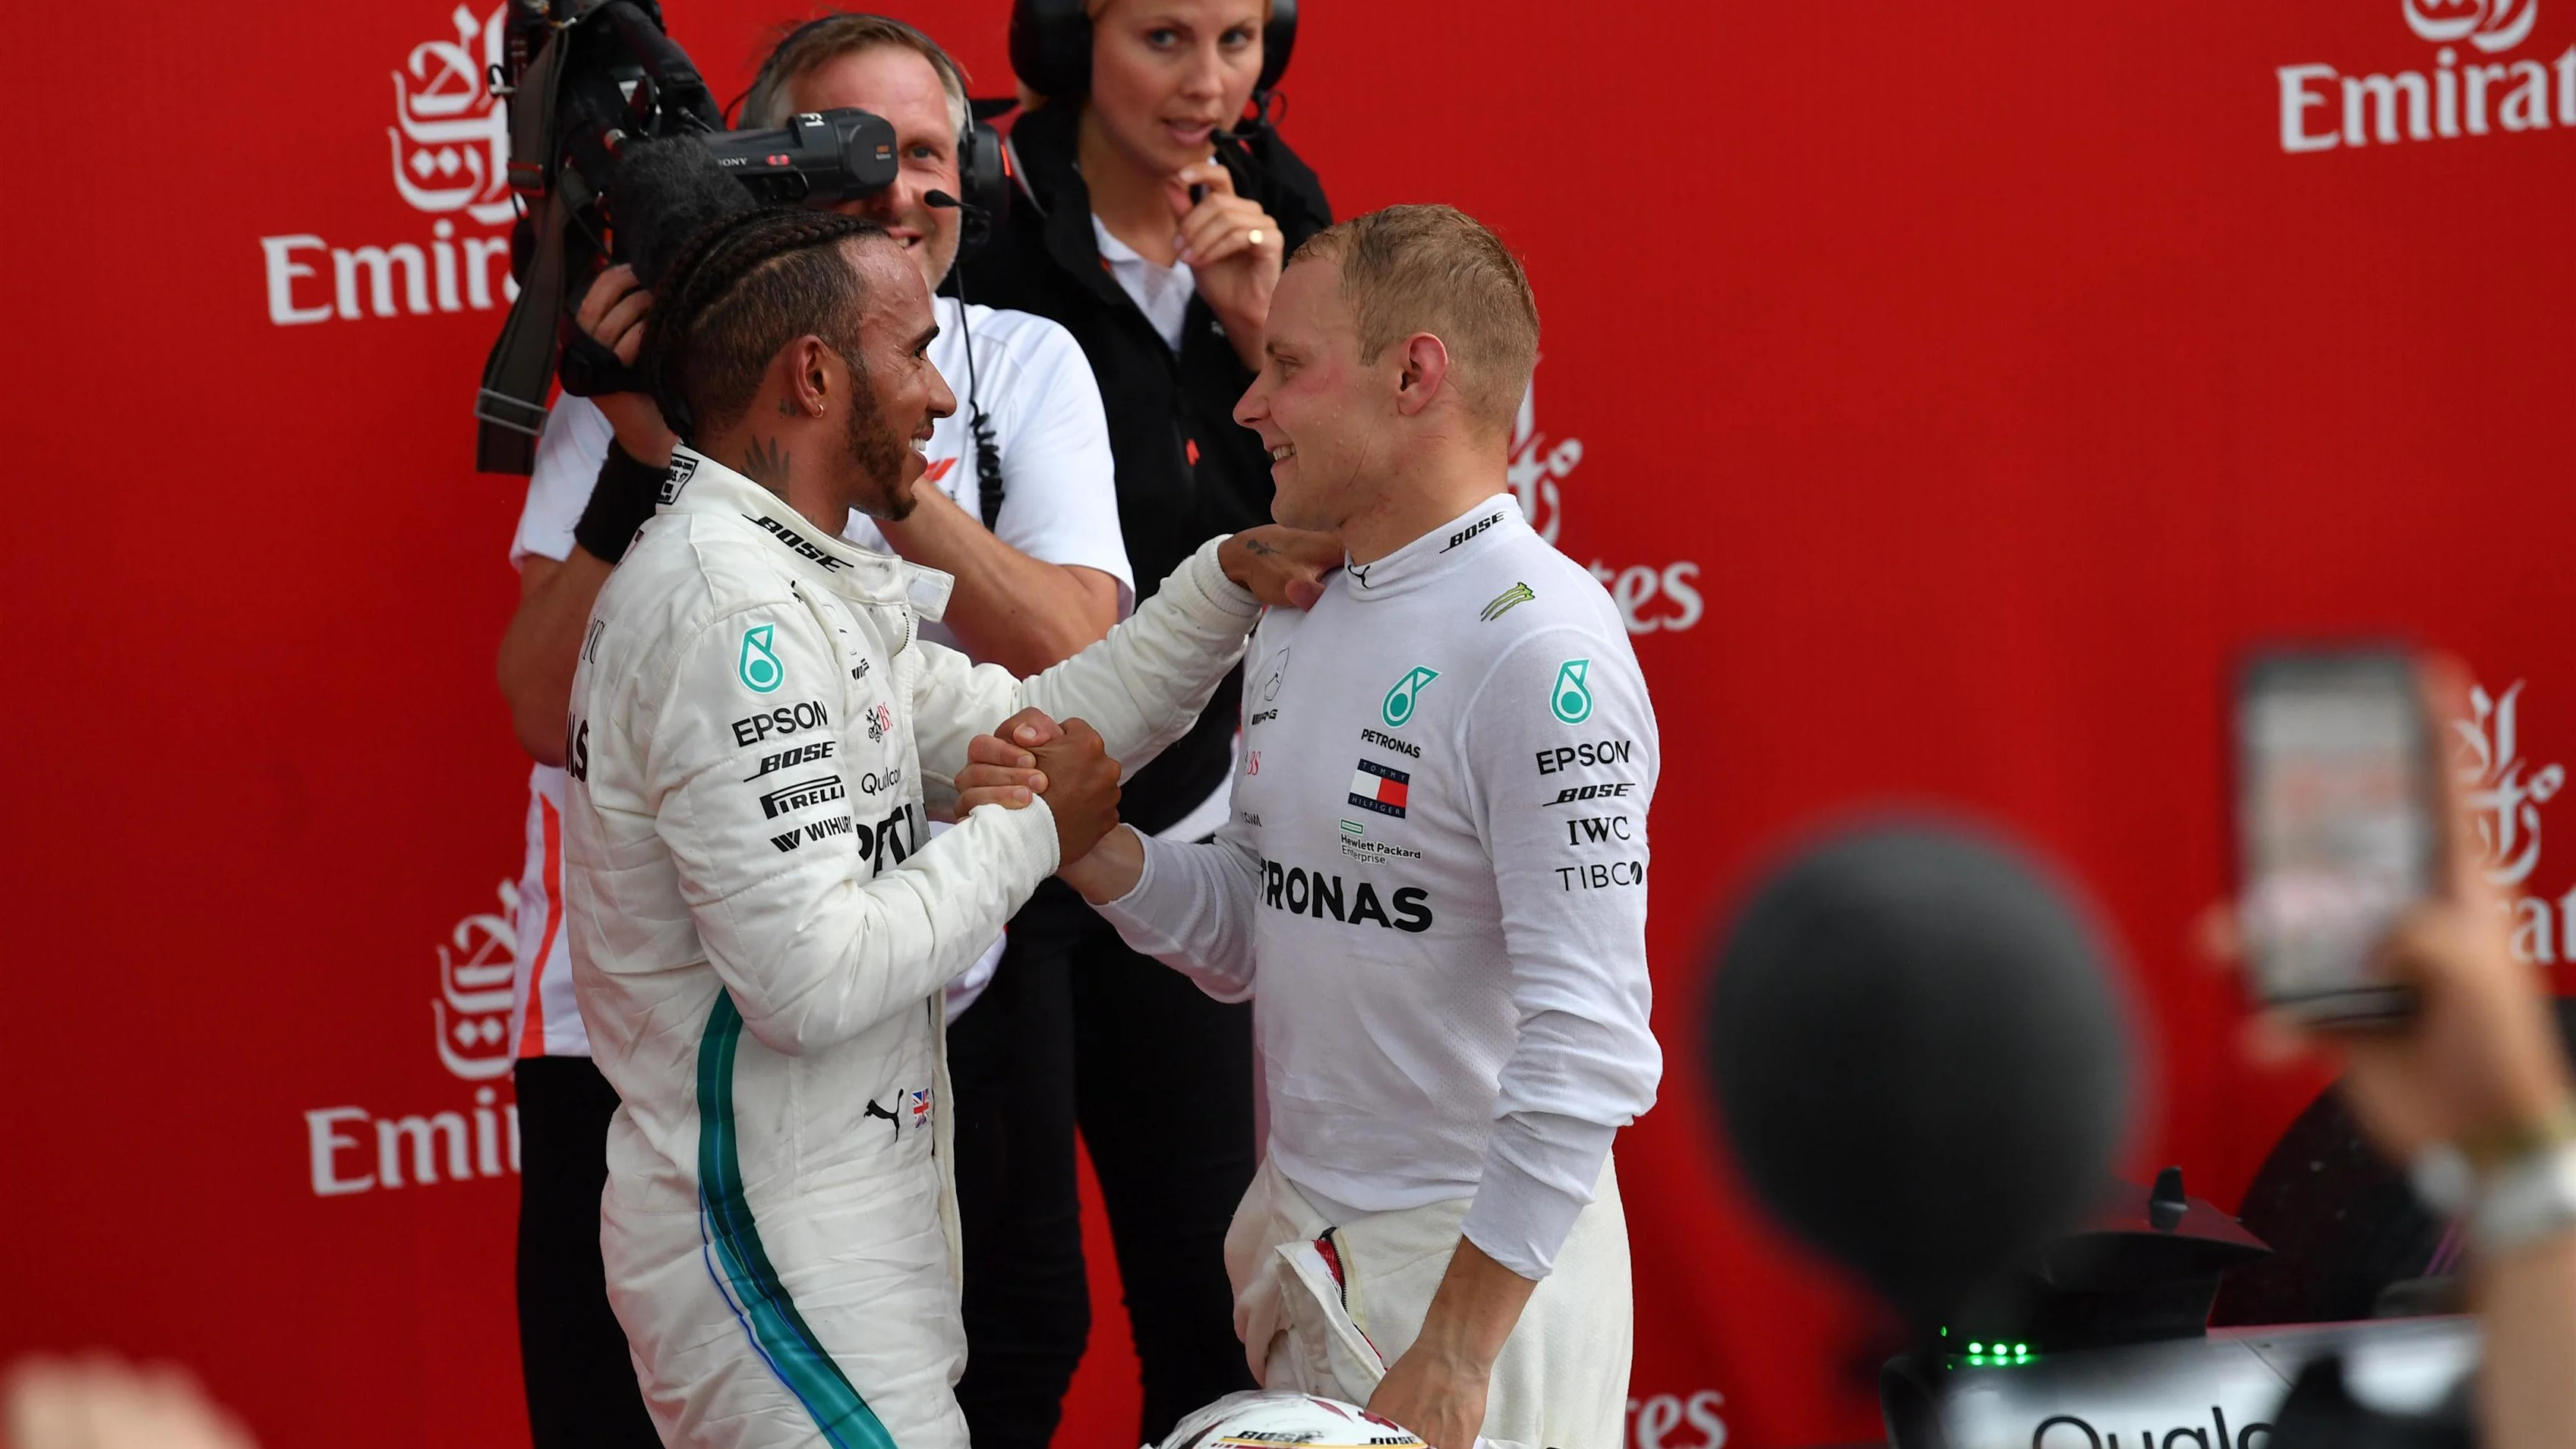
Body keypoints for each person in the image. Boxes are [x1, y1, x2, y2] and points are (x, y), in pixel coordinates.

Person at [566, 204, 1334, 1449]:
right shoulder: (736, 617)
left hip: (831, 1236)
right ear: (814, 376)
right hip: (776, 1264)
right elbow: (806, 976)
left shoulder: (785, 582)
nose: (939, 394)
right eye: (915, 352)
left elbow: (1045, 726)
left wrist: (1221, 582)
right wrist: (1033, 834)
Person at [488, 17, 1132, 1445]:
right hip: (700, 1062)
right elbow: (543, 703)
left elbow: (1074, 665)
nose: (897, 190)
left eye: (927, 154)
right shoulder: (646, 412)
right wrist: (678, 451)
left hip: (925, 1025)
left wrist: (873, 459)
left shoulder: (1013, 363)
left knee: (1003, 1364)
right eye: (847, 153)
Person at [1035, 204, 1663, 1449]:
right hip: (1308, 1238)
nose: (1250, 405)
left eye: (1287, 365)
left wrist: (1459, 1347)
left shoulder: (1540, 647)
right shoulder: (1302, 608)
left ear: (1415, 374)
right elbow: (1266, 925)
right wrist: (1094, 849)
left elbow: (1589, 1045)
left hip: (1475, 1283)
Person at [949, 2, 1334, 1439]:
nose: (1210, 83)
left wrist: (1264, 331)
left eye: (1239, 38)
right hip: (995, 819)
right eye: (1165, 37)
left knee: (1218, 1298)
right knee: (1014, 1318)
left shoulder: (1284, 213)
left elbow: (1357, 520)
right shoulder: (984, 222)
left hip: (1190, 822)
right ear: (1069, 34)